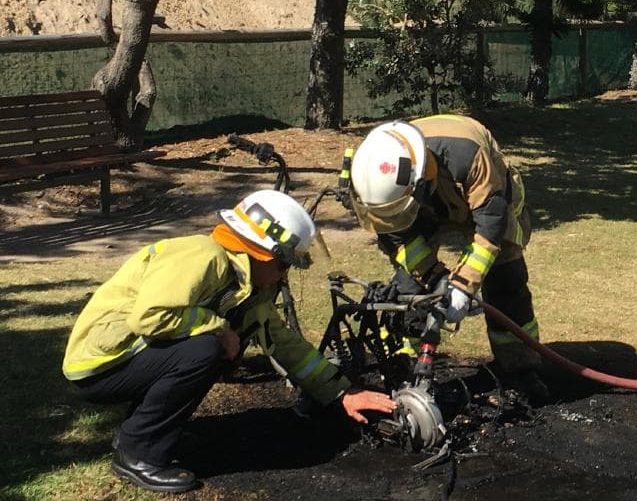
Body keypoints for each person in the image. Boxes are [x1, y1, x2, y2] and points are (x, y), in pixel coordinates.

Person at [62, 189, 396, 494]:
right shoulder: (203, 256)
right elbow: (150, 317)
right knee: (203, 350)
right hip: (100, 364)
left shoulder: (246, 287)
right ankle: (137, 454)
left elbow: (284, 344)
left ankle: (143, 430)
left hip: (128, 358)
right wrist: (221, 329)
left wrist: (341, 393)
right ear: (264, 252)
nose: (284, 275)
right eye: (284, 264)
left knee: (207, 348)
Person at [346, 116, 549, 402]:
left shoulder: (469, 157)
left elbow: (491, 225)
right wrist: (433, 277)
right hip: (422, 204)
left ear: (421, 180)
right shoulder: (369, 177)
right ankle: (406, 364)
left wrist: (463, 287)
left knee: (505, 278)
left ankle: (520, 369)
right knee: (409, 287)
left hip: (483, 194)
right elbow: (395, 237)